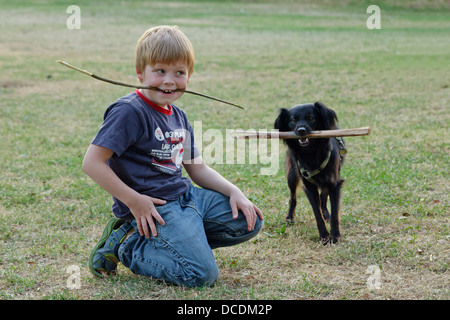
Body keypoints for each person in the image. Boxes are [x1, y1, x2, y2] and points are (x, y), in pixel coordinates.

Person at [82, 25, 263, 287]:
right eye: (160, 71)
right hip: (154, 207)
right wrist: (135, 201)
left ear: (189, 76)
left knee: (249, 221)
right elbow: (92, 163)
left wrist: (235, 192)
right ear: (139, 72)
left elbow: (197, 169)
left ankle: (174, 241)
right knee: (201, 275)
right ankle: (126, 244)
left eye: (179, 73)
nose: (169, 81)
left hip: (186, 199)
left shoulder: (178, 115)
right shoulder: (129, 111)